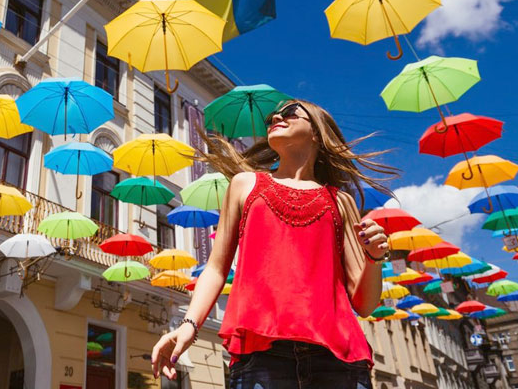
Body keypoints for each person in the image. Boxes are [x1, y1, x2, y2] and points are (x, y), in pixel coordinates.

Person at [151, 99, 398, 388]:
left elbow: (365, 304)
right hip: (261, 355)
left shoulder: (340, 201)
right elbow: (216, 269)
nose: (276, 117)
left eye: (290, 112)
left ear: (317, 132)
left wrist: (374, 258)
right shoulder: (245, 184)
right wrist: (188, 325)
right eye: (273, 115)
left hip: (338, 359)